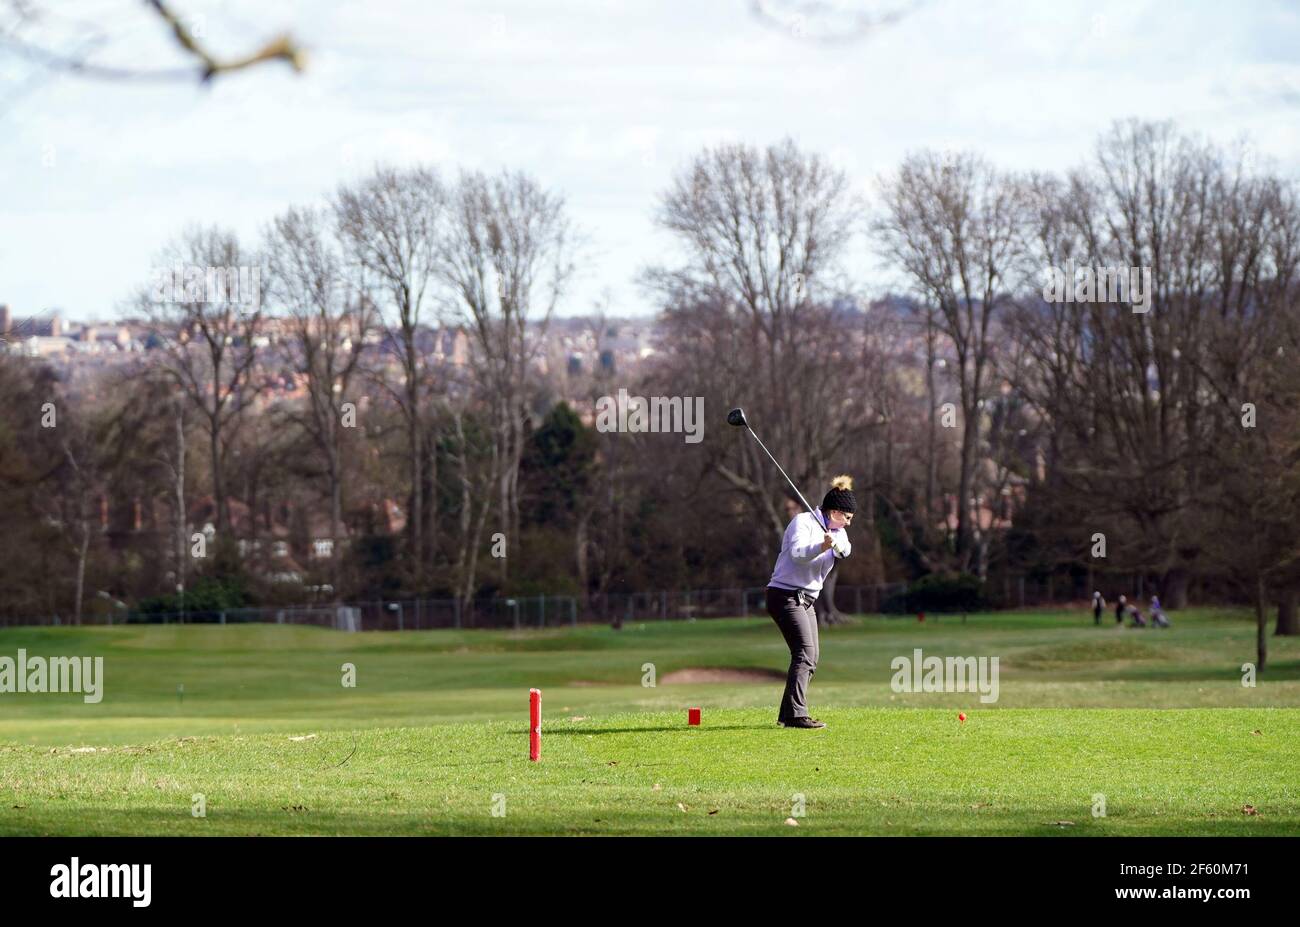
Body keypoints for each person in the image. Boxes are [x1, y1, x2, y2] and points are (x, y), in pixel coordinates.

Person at [765, 474, 854, 730]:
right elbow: (798, 555)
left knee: (811, 656)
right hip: (784, 595)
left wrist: (834, 543)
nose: (848, 523)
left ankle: (787, 713)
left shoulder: (838, 532)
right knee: (803, 654)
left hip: (807, 600)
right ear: (835, 511)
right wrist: (821, 545)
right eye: (847, 518)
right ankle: (796, 715)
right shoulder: (802, 522)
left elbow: (845, 550)